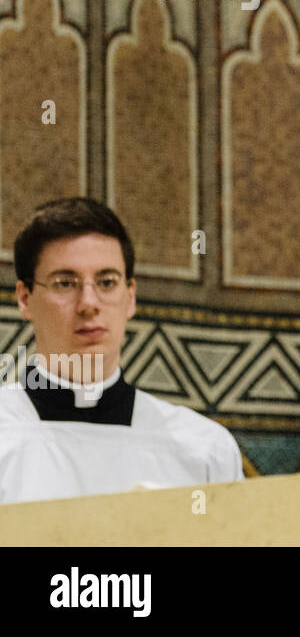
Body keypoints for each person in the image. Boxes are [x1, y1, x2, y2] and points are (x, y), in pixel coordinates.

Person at [0, 198, 244, 503]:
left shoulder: (204, 449)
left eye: (106, 282)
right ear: (25, 298)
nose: (89, 303)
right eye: (65, 283)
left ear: (130, 297)